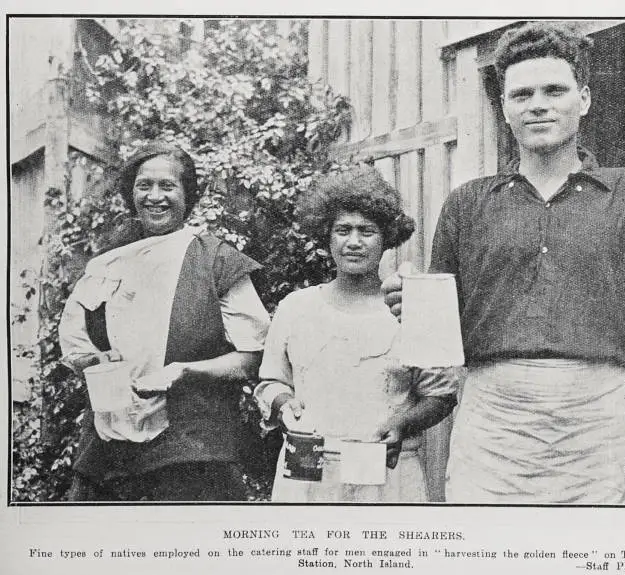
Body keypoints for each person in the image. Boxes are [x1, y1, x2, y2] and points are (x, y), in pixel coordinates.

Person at [383, 22, 625, 504]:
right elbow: (438, 331)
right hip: (493, 427)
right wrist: (408, 303)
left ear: (583, 99)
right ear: (505, 108)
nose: (537, 104)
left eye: (554, 90)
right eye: (521, 94)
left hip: (596, 423)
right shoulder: (467, 204)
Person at [59, 142, 270, 501]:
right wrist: (96, 362)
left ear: (188, 194)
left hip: (191, 453)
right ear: (130, 193)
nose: (155, 196)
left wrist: (184, 371)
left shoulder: (214, 259)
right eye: (144, 185)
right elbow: (79, 348)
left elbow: (253, 358)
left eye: (168, 186)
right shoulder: (105, 265)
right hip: (108, 449)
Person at [255, 166, 459, 503]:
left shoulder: (410, 308)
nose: (353, 242)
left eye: (367, 231)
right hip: (308, 463)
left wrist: (402, 423)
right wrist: (283, 403)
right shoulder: (296, 308)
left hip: (383, 467)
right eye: (343, 230)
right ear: (326, 237)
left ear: (387, 238)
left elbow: (441, 396)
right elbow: (271, 382)